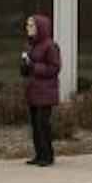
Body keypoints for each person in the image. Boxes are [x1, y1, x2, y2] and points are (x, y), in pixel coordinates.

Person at [20, 14, 61, 166]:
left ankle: (47, 155)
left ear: (40, 28)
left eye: (31, 25)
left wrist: (35, 67)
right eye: (28, 25)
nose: (28, 28)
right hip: (33, 92)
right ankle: (38, 154)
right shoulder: (29, 45)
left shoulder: (50, 46)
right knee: (35, 125)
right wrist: (25, 68)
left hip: (46, 92)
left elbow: (54, 68)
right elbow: (27, 68)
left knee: (43, 123)